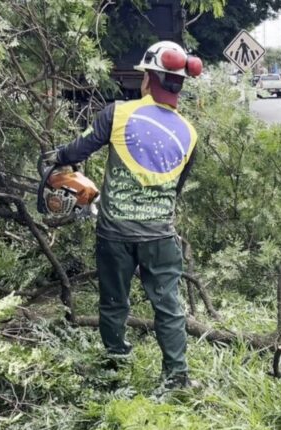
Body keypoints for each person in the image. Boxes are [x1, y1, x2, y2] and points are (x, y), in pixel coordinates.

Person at [49, 41, 203, 391]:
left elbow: (77, 150)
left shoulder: (118, 113)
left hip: (115, 232)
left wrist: (56, 157)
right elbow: (175, 188)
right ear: (179, 84)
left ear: (149, 78)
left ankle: (115, 371)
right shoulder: (190, 134)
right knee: (168, 306)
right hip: (159, 235)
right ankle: (176, 377)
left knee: (114, 303)